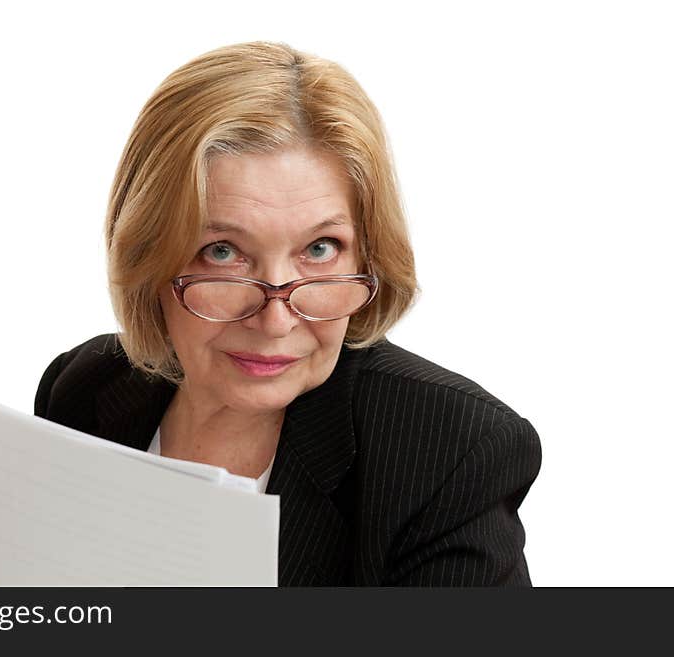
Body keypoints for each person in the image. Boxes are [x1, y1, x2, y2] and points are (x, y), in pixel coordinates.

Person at [34, 41, 542, 586]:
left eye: (320, 249)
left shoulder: (451, 449)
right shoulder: (85, 389)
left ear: (368, 253)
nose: (275, 321)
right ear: (147, 254)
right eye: (222, 252)